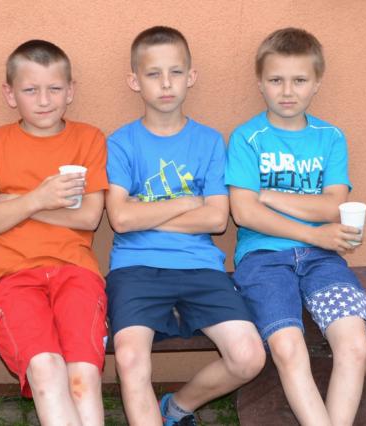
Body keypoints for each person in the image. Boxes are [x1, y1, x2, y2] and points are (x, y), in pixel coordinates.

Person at [105, 26, 265, 426]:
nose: (166, 83)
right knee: (130, 358)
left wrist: (146, 212)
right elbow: (120, 219)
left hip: (200, 265)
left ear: (190, 77)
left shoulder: (209, 142)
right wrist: (186, 203)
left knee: (248, 356)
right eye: (153, 74)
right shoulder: (121, 143)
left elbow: (216, 218)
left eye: (175, 72)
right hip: (136, 267)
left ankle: (176, 408)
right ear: (134, 81)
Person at [225, 27, 366, 426]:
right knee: (289, 348)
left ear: (317, 83)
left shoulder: (330, 138)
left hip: (323, 260)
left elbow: (333, 205)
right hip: (263, 259)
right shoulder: (248, 138)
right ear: (260, 83)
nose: (287, 91)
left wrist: (268, 195)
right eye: (276, 80)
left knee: (354, 345)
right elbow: (244, 213)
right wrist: (312, 230)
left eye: (299, 80)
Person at [0, 39, 108, 426]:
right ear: (10, 94)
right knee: (46, 370)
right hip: (13, 277)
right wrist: (40, 199)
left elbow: (89, 217)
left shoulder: (88, 139)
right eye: (30, 90)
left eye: (54, 88)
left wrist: (16, 204)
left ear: (70, 91)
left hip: (76, 272)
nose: (44, 100)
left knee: (82, 378)